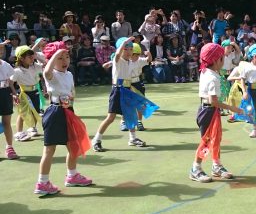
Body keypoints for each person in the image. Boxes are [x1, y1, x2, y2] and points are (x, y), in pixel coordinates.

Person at [34, 42, 92, 195]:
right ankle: (42, 182)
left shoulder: (69, 74)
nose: (64, 61)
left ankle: (72, 176)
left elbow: (71, 91)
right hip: (55, 113)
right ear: (52, 59)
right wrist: (54, 55)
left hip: (68, 111)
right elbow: (46, 71)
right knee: (49, 149)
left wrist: (70, 100)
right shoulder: (50, 74)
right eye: (60, 58)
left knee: (74, 146)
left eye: (66, 57)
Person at [189, 43, 243, 183]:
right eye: (222, 58)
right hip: (208, 111)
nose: (224, 60)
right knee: (206, 142)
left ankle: (216, 165)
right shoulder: (213, 78)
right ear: (216, 60)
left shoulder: (207, 71)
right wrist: (232, 108)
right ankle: (196, 168)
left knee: (216, 138)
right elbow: (213, 101)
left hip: (211, 111)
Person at [91, 37, 155, 151]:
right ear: (120, 49)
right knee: (111, 117)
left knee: (130, 115)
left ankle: (132, 138)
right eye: (126, 48)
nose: (129, 51)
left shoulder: (131, 61)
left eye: (131, 48)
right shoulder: (118, 60)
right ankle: (96, 139)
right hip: (117, 90)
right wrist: (124, 43)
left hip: (127, 89)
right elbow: (116, 55)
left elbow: (147, 60)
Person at [11, 46, 45, 142]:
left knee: (35, 111)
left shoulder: (35, 67)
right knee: (23, 113)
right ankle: (19, 133)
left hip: (35, 91)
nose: (32, 58)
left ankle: (32, 128)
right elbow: (10, 82)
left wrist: (37, 56)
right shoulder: (17, 71)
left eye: (32, 55)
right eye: (29, 56)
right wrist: (14, 93)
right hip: (24, 93)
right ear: (21, 58)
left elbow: (45, 64)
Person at [0, 41, 19, 160]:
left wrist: (14, 93)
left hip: (4, 93)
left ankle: (9, 147)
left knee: (6, 121)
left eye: (2, 48)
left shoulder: (6, 65)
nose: (1, 50)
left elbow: (9, 80)